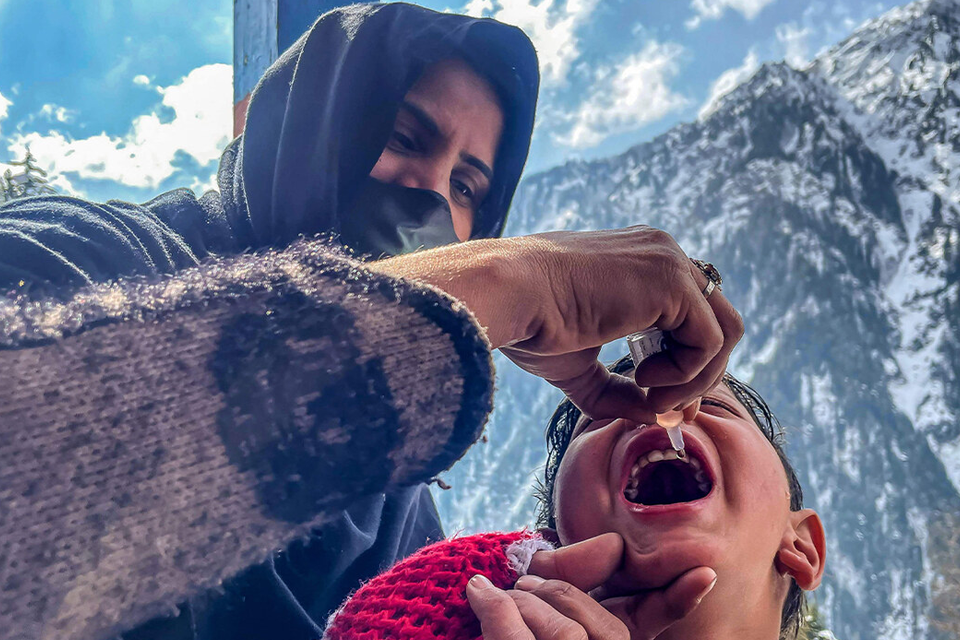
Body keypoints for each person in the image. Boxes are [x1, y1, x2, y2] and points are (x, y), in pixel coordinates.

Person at [0, 3, 743, 640]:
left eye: (465, 186)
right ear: (303, 125)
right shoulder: (87, 253)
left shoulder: (396, 508)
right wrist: (496, 283)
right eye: (403, 137)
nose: (426, 190)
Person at [322, 358, 826, 640]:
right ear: (555, 544)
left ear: (801, 545)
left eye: (710, 402)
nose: (657, 407)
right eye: (600, 418)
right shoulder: (459, 621)